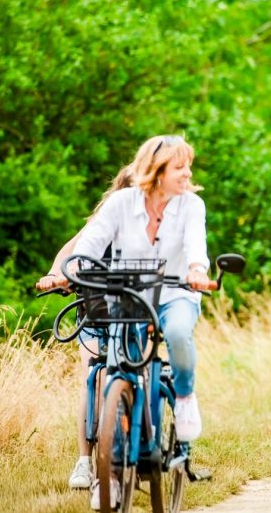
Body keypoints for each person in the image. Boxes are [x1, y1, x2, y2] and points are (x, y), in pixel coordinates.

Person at [69, 134, 212, 510]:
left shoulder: (191, 206)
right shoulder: (120, 203)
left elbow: (197, 246)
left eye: (187, 165)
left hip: (175, 293)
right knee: (116, 372)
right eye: (179, 167)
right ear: (156, 172)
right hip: (127, 296)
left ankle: (183, 397)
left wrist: (198, 269)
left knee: (179, 333)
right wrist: (74, 269)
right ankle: (111, 478)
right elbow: (90, 242)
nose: (188, 173)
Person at [36, 164, 133, 491]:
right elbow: (72, 249)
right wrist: (54, 273)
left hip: (130, 311)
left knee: (125, 376)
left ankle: (125, 452)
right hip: (93, 308)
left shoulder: (150, 223)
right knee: (92, 377)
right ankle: (84, 460)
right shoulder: (103, 219)